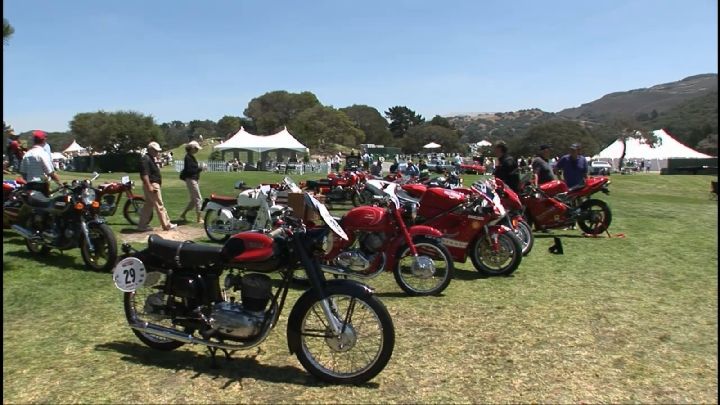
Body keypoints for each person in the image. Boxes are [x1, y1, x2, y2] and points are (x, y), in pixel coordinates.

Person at [137, 141, 177, 232]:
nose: (157, 152)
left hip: (152, 184)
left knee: (148, 206)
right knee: (160, 205)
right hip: (152, 184)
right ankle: (166, 225)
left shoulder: (150, 158)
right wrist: (149, 186)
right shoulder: (146, 159)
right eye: (155, 150)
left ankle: (142, 226)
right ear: (150, 150)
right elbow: (144, 174)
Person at [19, 131, 62, 195]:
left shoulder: (27, 154)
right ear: (44, 140)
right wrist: (60, 184)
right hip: (40, 185)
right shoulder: (43, 153)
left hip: (29, 185)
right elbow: (50, 172)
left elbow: (23, 173)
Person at [179, 141, 204, 223]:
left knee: (193, 200)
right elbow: (190, 170)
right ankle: (199, 218)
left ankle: (183, 214)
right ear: (192, 148)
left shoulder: (191, 157)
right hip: (191, 179)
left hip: (193, 179)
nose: (197, 150)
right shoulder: (188, 158)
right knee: (198, 199)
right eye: (196, 148)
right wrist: (200, 168)